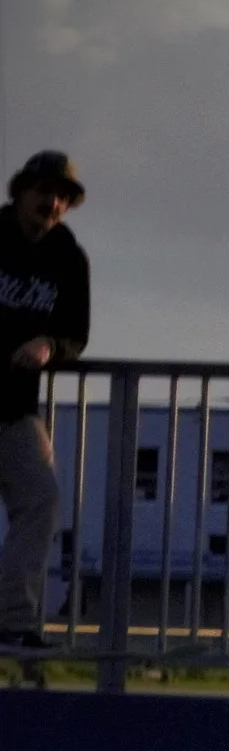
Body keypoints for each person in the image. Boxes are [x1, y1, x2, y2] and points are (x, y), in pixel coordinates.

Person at [1, 150, 90, 680]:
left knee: (42, 499)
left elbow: (76, 334)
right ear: (20, 192)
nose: (51, 206)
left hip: (14, 410)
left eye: (62, 199)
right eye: (43, 194)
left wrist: (48, 345)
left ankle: (13, 620)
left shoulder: (67, 256)